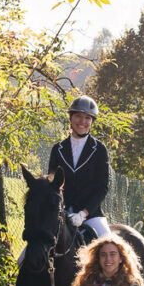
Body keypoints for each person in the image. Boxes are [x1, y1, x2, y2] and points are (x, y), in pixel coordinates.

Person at [48, 96, 111, 239]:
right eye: (78, 116)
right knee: (27, 255)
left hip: (91, 215)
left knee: (110, 248)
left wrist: (83, 213)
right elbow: (53, 185)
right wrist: (62, 210)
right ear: (70, 118)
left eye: (87, 118)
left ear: (92, 121)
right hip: (62, 214)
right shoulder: (58, 149)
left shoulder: (100, 149)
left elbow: (102, 188)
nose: (82, 122)